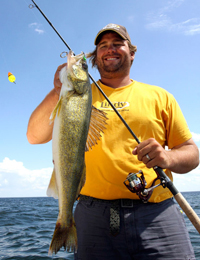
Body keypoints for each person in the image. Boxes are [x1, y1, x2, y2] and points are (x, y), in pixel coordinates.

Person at [27, 23, 199, 259]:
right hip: (91, 216)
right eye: (103, 45)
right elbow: (34, 137)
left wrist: (168, 157)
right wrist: (58, 91)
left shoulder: (161, 97)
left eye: (118, 44)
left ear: (132, 52)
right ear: (96, 57)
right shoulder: (76, 95)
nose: (110, 49)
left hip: (158, 214)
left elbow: (192, 154)